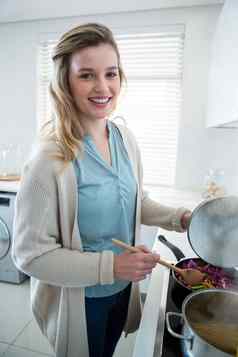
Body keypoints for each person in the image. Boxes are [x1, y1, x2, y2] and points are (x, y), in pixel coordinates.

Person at [12, 23, 191, 357]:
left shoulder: (124, 139)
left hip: (122, 292)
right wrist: (112, 267)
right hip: (83, 301)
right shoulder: (48, 160)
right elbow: (29, 256)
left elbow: (133, 201)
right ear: (65, 80)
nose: (103, 87)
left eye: (111, 73)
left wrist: (182, 218)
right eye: (86, 75)